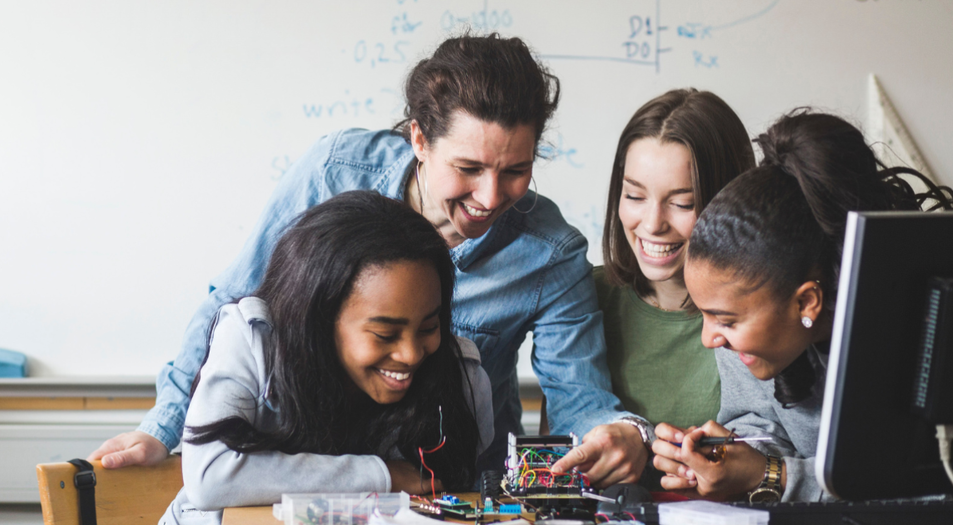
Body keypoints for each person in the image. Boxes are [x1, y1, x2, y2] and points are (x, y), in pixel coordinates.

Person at [90, 33, 650, 485]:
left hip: (448, 485)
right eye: (469, 168)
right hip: (305, 471)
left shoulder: (551, 252)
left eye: (515, 171)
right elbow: (233, 303)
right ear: (419, 139)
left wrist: (618, 434)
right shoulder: (333, 173)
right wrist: (163, 426)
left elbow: (580, 399)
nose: (490, 196)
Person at [651, 110, 953, 502]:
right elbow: (761, 422)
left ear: (807, 301)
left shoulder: (920, 333)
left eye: (724, 320)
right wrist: (732, 459)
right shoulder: (745, 335)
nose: (709, 337)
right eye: (705, 314)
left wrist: (771, 476)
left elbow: (908, 486)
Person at [159, 191, 493, 524]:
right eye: (384, 335)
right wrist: (383, 476)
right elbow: (211, 478)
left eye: (429, 327)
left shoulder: (460, 376)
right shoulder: (251, 339)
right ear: (319, 320)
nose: (411, 354)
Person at [597, 88, 754, 433]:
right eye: (635, 196)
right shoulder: (584, 298)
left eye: (683, 204)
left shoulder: (761, 314)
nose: (653, 224)